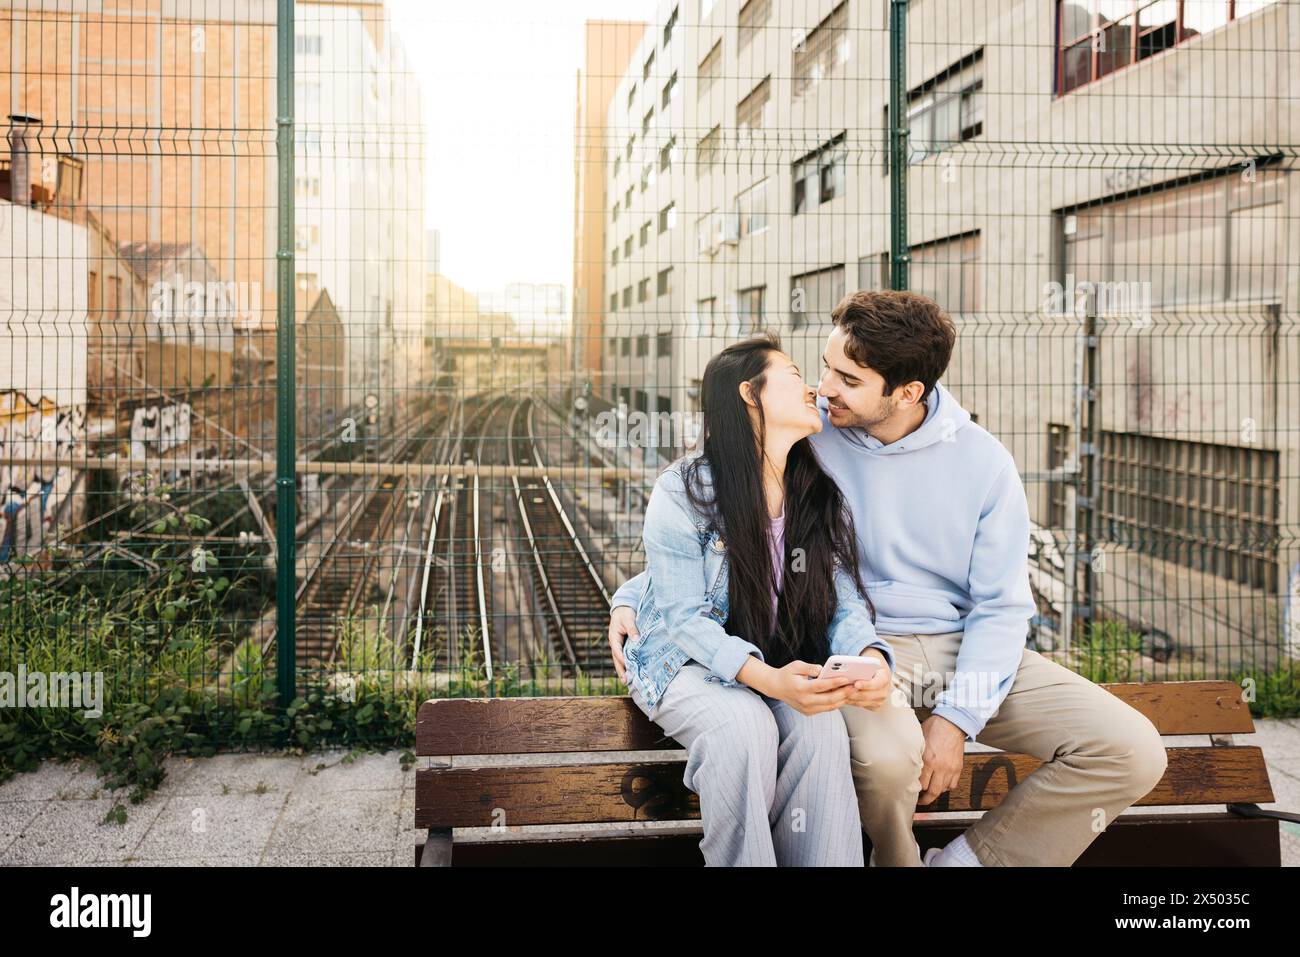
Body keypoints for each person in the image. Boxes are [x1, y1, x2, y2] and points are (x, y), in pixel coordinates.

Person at [610, 291, 1168, 867]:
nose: (825, 389)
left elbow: (1002, 609)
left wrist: (957, 717)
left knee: (1132, 750)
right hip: (854, 649)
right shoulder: (808, 434)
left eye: (847, 379)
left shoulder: (983, 462)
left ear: (907, 393)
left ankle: (963, 864)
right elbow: (710, 531)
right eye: (824, 368)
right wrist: (631, 600)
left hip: (958, 649)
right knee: (881, 757)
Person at [621, 333, 895, 866]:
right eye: (794, 374)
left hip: (769, 657)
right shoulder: (682, 490)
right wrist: (768, 681)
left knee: (818, 726)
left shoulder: (813, 490)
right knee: (741, 726)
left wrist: (869, 656)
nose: (812, 387)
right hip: (682, 661)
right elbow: (683, 618)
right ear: (751, 393)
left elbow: (842, 599)